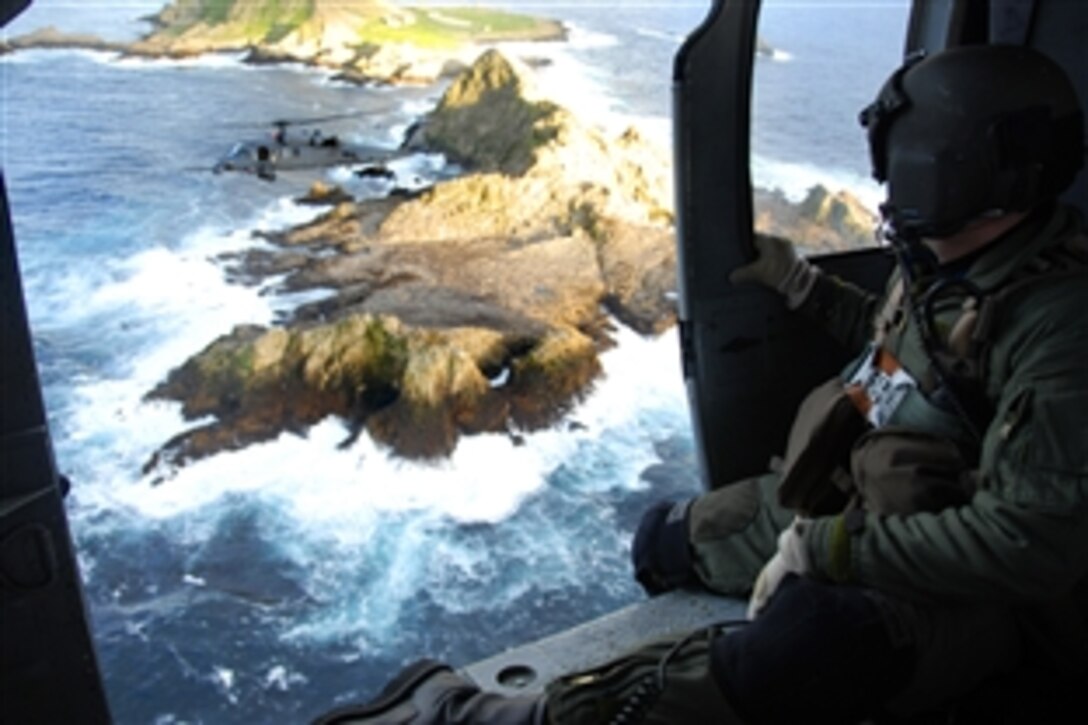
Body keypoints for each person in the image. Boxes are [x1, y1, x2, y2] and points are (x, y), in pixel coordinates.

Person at [312, 43, 1087, 725]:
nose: (883, 179)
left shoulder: (1059, 323)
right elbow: (903, 357)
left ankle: (541, 715)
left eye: (899, 157)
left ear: (948, 170)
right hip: (864, 499)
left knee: (812, 641)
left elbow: (1032, 543)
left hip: (981, 594)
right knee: (663, 538)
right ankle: (709, 673)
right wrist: (804, 287)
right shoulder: (946, 264)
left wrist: (827, 548)